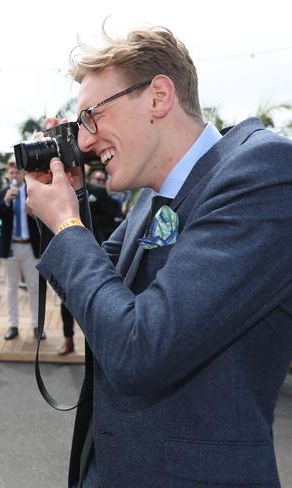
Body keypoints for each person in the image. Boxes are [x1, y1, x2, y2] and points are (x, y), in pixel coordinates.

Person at [25, 26, 292, 487]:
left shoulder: (261, 172)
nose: (84, 142)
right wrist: (71, 199)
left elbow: (140, 349)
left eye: (90, 117)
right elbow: (96, 298)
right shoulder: (154, 197)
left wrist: (67, 226)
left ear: (158, 97)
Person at [0, 159, 44, 341]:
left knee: (34, 287)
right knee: (11, 288)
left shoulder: (33, 192)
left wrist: (34, 213)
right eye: (12, 173)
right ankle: (13, 325)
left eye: (18, 173)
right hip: (10, 247)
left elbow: (46, 218)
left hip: (30, 246)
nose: (15, 176)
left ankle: (37, 325)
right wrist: (5, 202)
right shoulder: (1, 194)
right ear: (7, 175)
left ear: (24, 175)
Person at [86, 168, 123, 243]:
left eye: (104, 180)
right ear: (90, 180)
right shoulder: (83, 198)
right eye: (98, 179)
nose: (101, 182)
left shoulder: (114, 202)